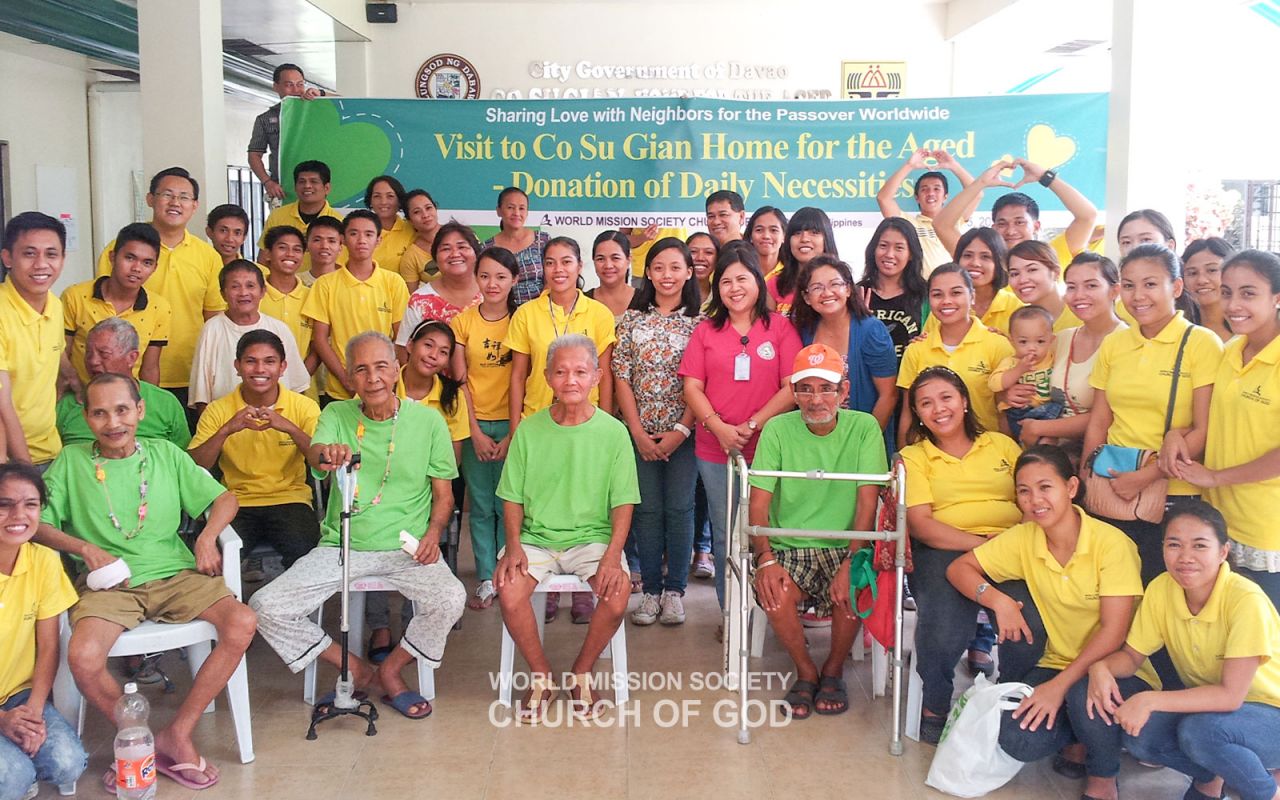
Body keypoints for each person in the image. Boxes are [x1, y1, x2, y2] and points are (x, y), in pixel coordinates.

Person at [36, 373, 257, 791]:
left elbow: (225, 499)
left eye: (122, 410)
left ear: (139, 411)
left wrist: (206, 537)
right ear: (86, 417)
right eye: (99, 413)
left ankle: (177, 733)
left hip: (175, 574)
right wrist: (83, 548)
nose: (112, 422)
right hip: (109, 585)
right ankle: (136, 738)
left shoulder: (165, 453)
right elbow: (39, 524)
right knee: (83, 656)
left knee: (242, 622)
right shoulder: (71, 461)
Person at [249, 332, 465, 720]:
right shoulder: (337, 415)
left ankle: (392, 670)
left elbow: (444, 496)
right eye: (361, 370)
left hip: (407, 547)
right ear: (349, 378)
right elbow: (317, 454)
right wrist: (327, 453)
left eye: (381, 367)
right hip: (342, 545)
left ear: (396, 370)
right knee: (265, 607)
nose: (373, 378)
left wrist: (433, 534)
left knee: (451, 598)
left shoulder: (428, 421)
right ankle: (355, 668)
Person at [947, 445, 1153, 800]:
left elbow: (1114, 632)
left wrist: (1058, 688)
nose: (1035, 500)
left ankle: (1103, 776)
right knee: (1017, 739)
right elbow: (959, 569)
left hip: (1115, 667)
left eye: (1045, 487)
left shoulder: (1111, 544)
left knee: (1085, 695)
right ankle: (1081, 733)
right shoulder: (1025, 538)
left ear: (1071, 488)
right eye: (1024, 491)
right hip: (1055, 663)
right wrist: (997, 600)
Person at [1088, 500, 1280, 800]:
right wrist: (1100, 667)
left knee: (1201, 732)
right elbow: (1132, 657)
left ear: (1223, 552)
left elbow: (1231, 696)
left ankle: (1268, 793)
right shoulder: (1162, 588)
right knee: (1141, 734)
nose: (1185, 557)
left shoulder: (1245, 600)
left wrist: (1149, 699)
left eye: (1200, 545)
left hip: (1269, 713)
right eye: (1174, 544)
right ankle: (1211, 777)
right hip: (1214, 713)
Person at [494, 334, 640, 722]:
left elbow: (623, 502)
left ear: (597, 377)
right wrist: (513, 546)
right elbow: (512, 497)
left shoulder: (614, 433)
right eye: (560, 372)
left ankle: (581, 673)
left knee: (617, 594)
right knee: (509, 590)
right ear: (547, 377)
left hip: (592, 539)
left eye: (580, 371)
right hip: (535, 539)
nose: (570, 380)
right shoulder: (529, 430)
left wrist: (613, 556)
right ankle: (541, 676)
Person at [750, 344, 887, 717]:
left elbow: (867, 503)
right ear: (793, 393)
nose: (816, 399)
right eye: (806, 389)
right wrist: (765, 559)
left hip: (846, 543)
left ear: (844, 391)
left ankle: (833, 670)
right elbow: (758, 503)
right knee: (773, 592)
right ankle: (806, 671)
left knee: (854, 587)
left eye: (826, 388)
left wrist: (853, 559)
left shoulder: (864, 428)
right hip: (788, 546)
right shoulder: (777, 429)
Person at [1082, 243, 1224, 584]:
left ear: (1176, 287)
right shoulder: (1115, 343)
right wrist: (1088, 479)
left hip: (1173, 492)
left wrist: (1145, 476)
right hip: (1112, 484)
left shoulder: (1201, 343)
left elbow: (1205, 430)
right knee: (1113, 586)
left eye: (1150, 284)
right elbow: (1100, 420)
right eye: (1129, 285)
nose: (1138, 296)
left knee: (1159, 586)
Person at [898, 367, 1023, 742]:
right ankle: (936, 703)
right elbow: (921, 525)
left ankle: (1017, 702)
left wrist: (1012, 543)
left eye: (946, 398)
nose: (938, 409)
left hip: (1012, 549)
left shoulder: (1002, 446)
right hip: (944, 549)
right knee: (942, 624)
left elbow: (1030, 500)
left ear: (965, 401)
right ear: (918, 414)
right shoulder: (914, 457)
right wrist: (980, 543)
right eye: (926, 403)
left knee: (1032, 618)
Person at [680, 242, 802, 615]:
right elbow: (692, 387)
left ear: (758, 282)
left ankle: (773, 612)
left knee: (769, 533)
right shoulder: (706, 331)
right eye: (726, 281)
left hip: (770, 449)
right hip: (716, 450)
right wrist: (719, 428)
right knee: (725, 534)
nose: (734, 288)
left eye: (742, 279)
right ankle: (732, 614)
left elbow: (791, 387)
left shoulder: (780, 327)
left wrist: (752, 424)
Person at [507, 236, 617, 623]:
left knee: (588, 502)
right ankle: (547, 586)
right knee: (543, 505)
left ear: (579, 266)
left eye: (566, 261)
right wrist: (516, 426)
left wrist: (606, 423)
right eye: (551, 262)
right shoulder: (526, 314)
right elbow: (517, 376)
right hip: (539, 426)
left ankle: (585, 590)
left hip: (587, 425)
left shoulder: (598, 313)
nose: (559, 270)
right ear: (542, 268)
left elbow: (606, 374)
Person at [1173, 250, 1280, 608]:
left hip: (1266, 530)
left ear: (1276, 297)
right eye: (1227, 292)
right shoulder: (1232, 349)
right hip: (1220, 521)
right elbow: (1213, 418)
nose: (1233, 305)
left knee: (1264, 634)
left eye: (1248, 293)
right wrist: (1175, 435)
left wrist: (1216, 477)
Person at [613, 238, 701, 626]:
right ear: (647, 272)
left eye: (675, 267)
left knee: (680, 509)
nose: (667, 275)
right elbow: (622, 376)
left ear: (689, 272)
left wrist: (681, 429)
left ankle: (675, 592)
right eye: (659, 267)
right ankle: (650, 591)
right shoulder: (631, 320)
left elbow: (703, 381)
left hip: (685, 435)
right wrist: (636, 431)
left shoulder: (701, 323)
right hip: (639, 435)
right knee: (646, 511)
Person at [94, 167, 224, 419]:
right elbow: (103, 309)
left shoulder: (208, 256)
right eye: (167, 194)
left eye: (184, 197)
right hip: (129, 373)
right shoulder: (122, 249)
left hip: (190, 374)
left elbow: (214, 317)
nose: (175, 202)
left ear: (195, 206)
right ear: (150, 199)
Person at [189, 329, 321, 575]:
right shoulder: (218, 409)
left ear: (283, 367)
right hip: (235, 503)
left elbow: (320, 461)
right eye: (251, 361)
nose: (260, 369)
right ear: (237, 366)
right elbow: (197, 466)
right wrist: (226, 430)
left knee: (309, 557)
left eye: (269, 361)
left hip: (290, 500)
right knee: (213, 562)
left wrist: (289, 427)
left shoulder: (304, 407)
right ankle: (232, 601)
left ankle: (282, 601)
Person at [0, 462, 87, 800]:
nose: (18, 516)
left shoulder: (44, 561)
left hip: (19, 695)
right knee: (13, 779)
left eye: (31, 504)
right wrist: (3, 721)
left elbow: (49, 647)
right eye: (4, 504)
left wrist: (34, 712)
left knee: (68, 763)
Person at [452, 246, 518, 611]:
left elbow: (523, 381)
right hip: (473, 423)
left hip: (513, 424)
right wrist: (474, 431)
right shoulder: (463, 322)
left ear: (514, 280)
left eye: (501, 277)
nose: (493, 284)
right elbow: (460, 381)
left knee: (508, 502)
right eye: (485, 276)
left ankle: (508, 573)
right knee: (479, 505)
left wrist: (513, 433)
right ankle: (485, 578)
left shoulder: (522, 320)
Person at [1014, 253, 1125, 451]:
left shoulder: (1127, 342)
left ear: (1114, 291)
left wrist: (1040, 428)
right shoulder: (1061, 338)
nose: (1079, 295)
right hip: (1049, 447)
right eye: (1072, 287)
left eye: (1091, 286)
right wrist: (1011, 393)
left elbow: (1108, 416)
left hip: (1099, 450)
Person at [897, 264, 1015, 447]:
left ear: (972, 296)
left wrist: (1005, 454)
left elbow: (1005, 412)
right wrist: (903, 456)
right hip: (929, 454)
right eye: (937, 295)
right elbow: (908, 413)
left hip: (987, 451)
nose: (946, 301)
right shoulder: (916, 350)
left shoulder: (997, 345)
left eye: (956, 293)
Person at [303, 210, 409, 402]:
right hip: (339, 390)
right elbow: (320, 339)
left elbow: (400, 338)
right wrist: (346, 379)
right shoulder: (325, 284)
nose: (361, 240)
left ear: (378, 240)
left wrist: (388, 379)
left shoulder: (394, 282)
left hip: (383, 387)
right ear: (343, 240)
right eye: (354, 233)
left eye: (368, 234)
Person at [790, 254, 897, 432]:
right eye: (817, 287)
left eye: (835, 284)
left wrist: (866, 439)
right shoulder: (804, 330)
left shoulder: (871, 330)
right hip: (816, 433)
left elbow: (889, 395)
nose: (827, 293)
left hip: (861, 433)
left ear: (848, 289)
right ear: (806, 297)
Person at [187, 260, 310, 409]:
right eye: (235, 287)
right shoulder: (212, 329)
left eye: (250, 286)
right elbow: (201, 393)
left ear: (263, 291)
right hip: (226, 419)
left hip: (277, 419)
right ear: (223, 294)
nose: (243, 293)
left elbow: (298, 387)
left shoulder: (279, 329)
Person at [934, 159, 1100, 269]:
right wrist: (981, 183)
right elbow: (942, 225)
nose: (1011, 231)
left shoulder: (1053, 254)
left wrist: (1046, 177)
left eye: (1020, 222)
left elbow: (1087, 216)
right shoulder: (981, 261)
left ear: (1036, 226)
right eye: (1002, 223)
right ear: (993, 227)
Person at [56, 318, 190, 449]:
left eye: (104, 354)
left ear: (132, 357)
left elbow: (183, 458)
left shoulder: (164, 403)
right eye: (89, 353)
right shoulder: (68, 405)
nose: (93, 361)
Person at [0, 211, 69, 467]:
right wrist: (25, 471)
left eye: (51, 254)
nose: (41, 264)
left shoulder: (55, 305)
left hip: (51, 451)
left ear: (62, 259)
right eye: (29, 254)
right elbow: (2, 404)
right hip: (11, 461)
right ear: (7, 258)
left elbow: (56, 358)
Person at [65, 222, 169, 388]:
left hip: (128, 398)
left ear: (154, 268)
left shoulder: (159, 307)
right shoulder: (75, 297)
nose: (137, 268)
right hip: (80, 395)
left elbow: (150, 369)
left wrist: (147, 402)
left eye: (147, 263)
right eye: (130, 258)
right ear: (112, 257)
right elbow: (61, 355)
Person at [876, 148, 980, 274]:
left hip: (951, 283)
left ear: (945, 197)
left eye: (936, 189)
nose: (931, 193)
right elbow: (884, 198)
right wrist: (909, 166)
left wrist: (953, 166)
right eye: (924, 189)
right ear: (917, 197)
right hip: (917, 285)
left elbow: (976, 193)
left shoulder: (954, 222)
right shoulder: (907, 223)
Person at [397, 222, 483, 354]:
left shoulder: (493, 292)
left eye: (462, 247)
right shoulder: (420, 300)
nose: (455, 254)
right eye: (446, 249)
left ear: (476, 253)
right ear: (435, 258)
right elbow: (403, 350)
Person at [247, 62, 324, 200]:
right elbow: (254, 154)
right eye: (289, 85)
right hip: (284, 187)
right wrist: (267, 182)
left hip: (320, 186)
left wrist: (322, 94)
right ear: (276, 86)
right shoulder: (265, 119)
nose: (296, 90)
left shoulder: (321, 109)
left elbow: (349, 102)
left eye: (300, 84)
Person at [858, 217, 930, 362]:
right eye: (883, 246)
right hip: (866, 374)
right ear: (873, 249)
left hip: (910, 374)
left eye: (899, 248)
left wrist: (924, 344)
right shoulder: (858, 293)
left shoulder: (926, 294)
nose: (889, 254)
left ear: (911, 254)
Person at [988, 305, 1063, 441]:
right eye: (1023, 342)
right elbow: (994, 384)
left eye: (1040, 341)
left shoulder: (1053, 357)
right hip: (1020, 411)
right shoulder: (1012, 362)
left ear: (1051, 340)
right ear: (1012, 341)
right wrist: (1019, 370)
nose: (1032, 348)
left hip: (1047, 410)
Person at [398, 320, 470, 459]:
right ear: (410, 345)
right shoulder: (383, 386)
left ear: (448, 362)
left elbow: (452, 459)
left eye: (443, 352)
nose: (433, 355)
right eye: (428, 345)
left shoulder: (453, 397)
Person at [258, 160, 342, 273]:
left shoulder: (339, 221)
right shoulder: (278, 216)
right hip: (283, 283)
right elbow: (264, 259)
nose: (307, 186)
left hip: (324, 283)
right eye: (302, 182)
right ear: (295, 187)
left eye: (313, 181)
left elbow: (343, 263)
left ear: (327, 188)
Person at [259, 225, 318, 374]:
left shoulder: (312, 297)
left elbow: (316, 348)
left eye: (297, 249)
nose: (290, 254)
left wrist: (299, 380)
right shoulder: (254, 296)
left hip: (302, 385)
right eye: (282, 248)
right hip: (259, 381)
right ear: (268, 254)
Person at [947, 226, 1022, 334]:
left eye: (985, 257)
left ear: (1000, 263)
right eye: (968, 255)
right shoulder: (946, 305)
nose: (975, 263)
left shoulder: (1017, 308)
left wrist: (1006, 341)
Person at [482, 187, 548, 306]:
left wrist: (538, 309)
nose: (516, 213)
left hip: (540, 310)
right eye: (510, 207)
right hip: (502, 311)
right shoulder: (487, 248)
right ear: (499, 211)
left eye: (521, 208)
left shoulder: (542, 240)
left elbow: (551, 279)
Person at [767, 206, 837, 314]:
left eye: (814, 232)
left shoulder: (839, 283)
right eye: (797, 233)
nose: (804, 239)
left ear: (827, 238)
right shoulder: (775, 284)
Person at [1008, 240, 1082, 332]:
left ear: (1056, 272)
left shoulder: (1082, 313)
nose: (1022, 280)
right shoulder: (1017, 322)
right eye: (1014, 274)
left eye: (1032, 270)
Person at [1181, 238, 1236, 341]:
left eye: (1212, 270)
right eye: (1192, 273)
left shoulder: (1250, 334)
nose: (1201, 280)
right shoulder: (1179, 333)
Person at [365, 175, 415, 275]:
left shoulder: (413, 229)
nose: (383, 202)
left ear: (399, 201)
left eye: (390, 196)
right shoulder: (361, 231)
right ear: (370, 201)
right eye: (377, 196)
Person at [398, 189, 442, 291]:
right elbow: (413, 296)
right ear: (409, 220)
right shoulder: (411, 257)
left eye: (428, 208)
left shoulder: (462, 236)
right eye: (417, 212)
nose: (425, 215)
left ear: (435, 209)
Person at [586, 230, 635, 317]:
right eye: (601, 259)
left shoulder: (646, 301)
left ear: (628, 260)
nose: (608, 265)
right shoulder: (583, 302)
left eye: (615, 258)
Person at [747, 206, 788, 279]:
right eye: (759, 230)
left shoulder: (791, 274)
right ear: (750, 236)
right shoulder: (742, 271)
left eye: (773, 230)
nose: (766, 236)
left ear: (784, 236)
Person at [304, 215, 344, 283]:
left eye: (331, 241)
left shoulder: (350, 282)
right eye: (317, 240)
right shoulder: (295, 282)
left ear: (340, 247)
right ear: (306, 245)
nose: (324, 246)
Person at [686, 231, 719, 309]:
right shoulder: (673, 294)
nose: (700, 258)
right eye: (693, 252)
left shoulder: (722, 296)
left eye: (708, 252)